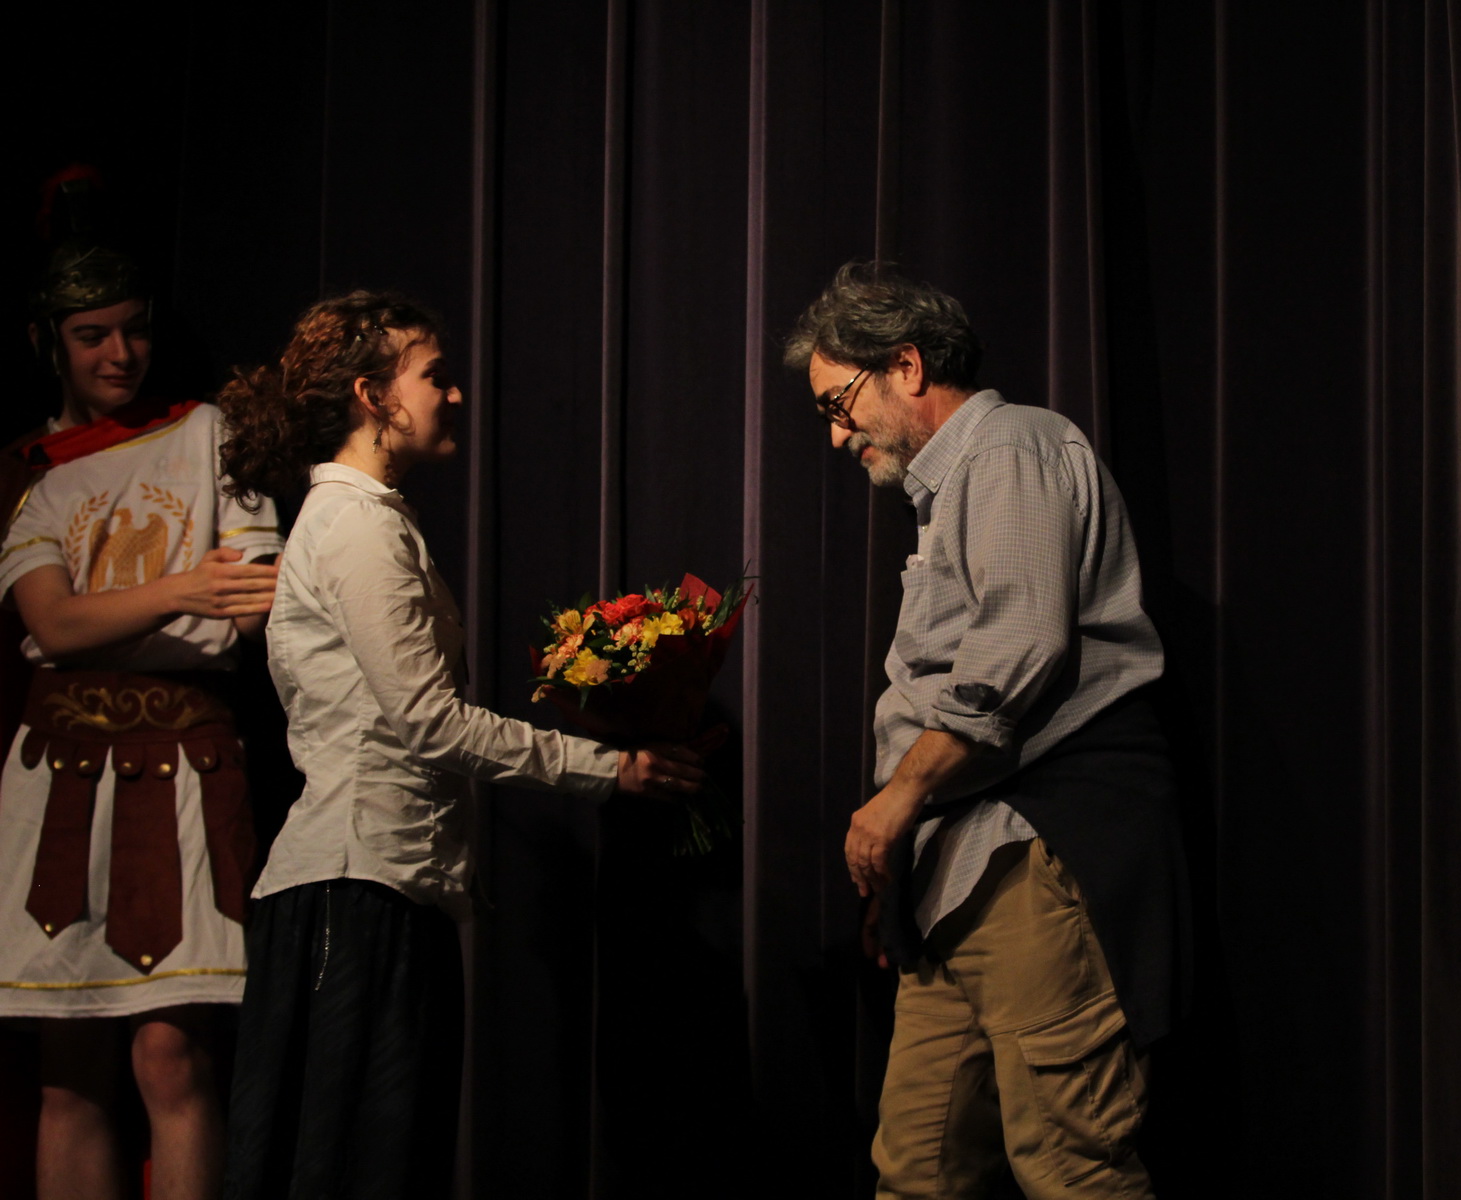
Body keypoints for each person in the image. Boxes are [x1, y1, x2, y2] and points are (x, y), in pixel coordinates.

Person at [215, 291, 703, 1199]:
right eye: (434, 376)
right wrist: (609, 769)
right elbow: (429, 721)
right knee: (353, 1170)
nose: (454, 395)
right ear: (374, 396)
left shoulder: (367, 519)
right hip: (355, 888)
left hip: (385, 883)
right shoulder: (356, 523)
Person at [785, 263, 1188, 1198]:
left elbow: (1016, 650)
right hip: (960, 876)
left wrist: (898, 801)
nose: (837, 434)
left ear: (907, 366)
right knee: (916, 1169)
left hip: (1032, 854)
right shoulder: (951, 486)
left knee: (1072, 1165)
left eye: (839, 404)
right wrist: (908, 863)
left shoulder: (1010, 447)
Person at [0, 237, 283, 1200]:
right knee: (70, 1068)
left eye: (134, 331)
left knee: (171, 1056)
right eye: (93, 336)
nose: (120, 354)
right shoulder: (36, 474)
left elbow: (248, 601)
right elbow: (53, 621)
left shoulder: (209, 435)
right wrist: (178, 590)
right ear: (48, 342)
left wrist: (187, 602)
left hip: (184, 756)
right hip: (62, 766)